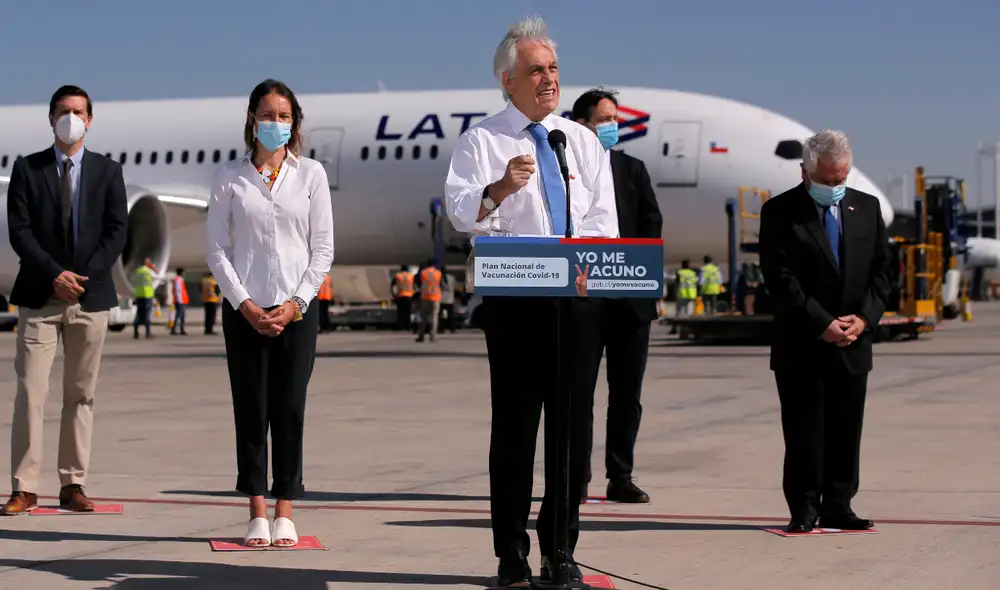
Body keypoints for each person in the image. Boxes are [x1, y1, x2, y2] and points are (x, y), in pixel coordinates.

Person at [444, 15, 618, 586]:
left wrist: (579, 262)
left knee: (572, 434)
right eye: (535, 70)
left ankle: (561, 550)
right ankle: (512, 553)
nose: (548, 79)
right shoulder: (483, 140)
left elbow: (602, 223)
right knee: (516, 431)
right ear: (507, 79)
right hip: (517, 305)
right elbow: (459, 212)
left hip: (576, 304)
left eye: (553, 69)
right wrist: (499, 190)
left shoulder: (583, 141)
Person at [206, 79, 335, 548]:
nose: (275, 124)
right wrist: (245, 304)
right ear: (251, 120)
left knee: (290, 408)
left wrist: (295, 303)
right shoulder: (229, 178)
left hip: (296, 313)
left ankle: (286, 508)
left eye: (284, 116)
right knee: (252, 408)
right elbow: (218, 252)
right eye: (267, 114)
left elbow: (322, 249)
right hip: (244, 313)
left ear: (294, 123)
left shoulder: (312, 176)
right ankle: (256, 509)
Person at [2, 85, 128, 516]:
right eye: (63, 111)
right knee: (30, 392)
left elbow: (116, 233)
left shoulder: (109, 172)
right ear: (50, 118)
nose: (70, 117)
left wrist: (82, 278)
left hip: (90, 299)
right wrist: (54, 274)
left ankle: (73, 482)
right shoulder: (27, 169)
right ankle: (24, 486)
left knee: (81, 394)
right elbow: (19, 231)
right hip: (39, 296)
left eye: (77, 111)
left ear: (90, 120)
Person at [758, 129, 891, 534]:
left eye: (841, 180)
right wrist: (823, 323)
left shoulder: (866, 208)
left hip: (854, 338)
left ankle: (839, 503)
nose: (835, 187)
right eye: (826, 181)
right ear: (805, 172)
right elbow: (780, 279)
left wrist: (864, 319)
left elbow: (883, 273)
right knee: (804, 431)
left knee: (846, 430)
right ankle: (803, 506)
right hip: (802, 341)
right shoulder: (779, 212)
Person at [571, 87, 662, 504]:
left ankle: (620, 475)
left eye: (615, 120)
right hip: (583, 299)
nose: (612, 127)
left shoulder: (632, 169)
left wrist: (633, 272)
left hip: (628, 300)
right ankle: (577, 477)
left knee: (627, 394)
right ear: (581, 123)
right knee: (578, 394)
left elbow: (650, 221)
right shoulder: (565, 169)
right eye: (604, 119)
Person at [415, 260, 442, 342]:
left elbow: (418, 283)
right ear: (434, 265)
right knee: (434, 317)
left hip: (425, 297)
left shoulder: (423, 272)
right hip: (435, 297)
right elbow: (440, 284)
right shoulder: (438, 273)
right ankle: (433, 336)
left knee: (423, 318)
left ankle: (421, 336)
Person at [131, 258, 156, 339]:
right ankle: (148, 333)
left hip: (138, 295)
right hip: (147, 295)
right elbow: (160, 277)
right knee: (147, 315)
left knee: (138, 314)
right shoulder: (149, 271)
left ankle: (135, 332)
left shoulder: (137, 271)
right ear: (147, 263)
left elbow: (132, 280)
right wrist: (154, 268)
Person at [391, 265, 415, 331]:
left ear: (401, 269)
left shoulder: (398, 275)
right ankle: (408, 327)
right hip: (409, 296)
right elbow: (414, 285)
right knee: (408, 312)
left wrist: (393, 294)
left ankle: (400, 326)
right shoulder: (411, 276)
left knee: (400, 312)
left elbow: (393, 285)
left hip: (400, 296)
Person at [170, 267, 189, 335]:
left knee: (182, 316)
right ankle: (174, 329)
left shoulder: (179, 279)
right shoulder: (178, 280)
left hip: (182, 300)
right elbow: (178, 290)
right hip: (180, 301)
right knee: (178, 315)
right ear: (181, 273)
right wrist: (179, 300)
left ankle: (182, 329)